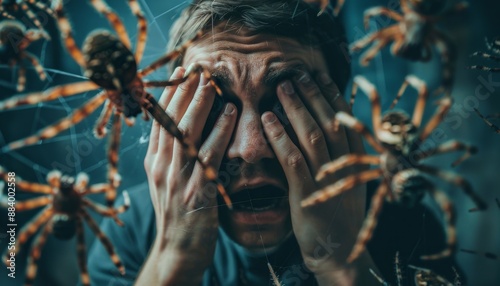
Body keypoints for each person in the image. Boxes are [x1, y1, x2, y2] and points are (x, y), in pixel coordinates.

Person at [88, 1, 463, 285]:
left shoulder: (407, 224)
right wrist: (173, 258)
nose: (249, 150)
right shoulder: (128, 229)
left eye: (288, 102)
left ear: (338, 116)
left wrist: (343, 265)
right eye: (215, 103)